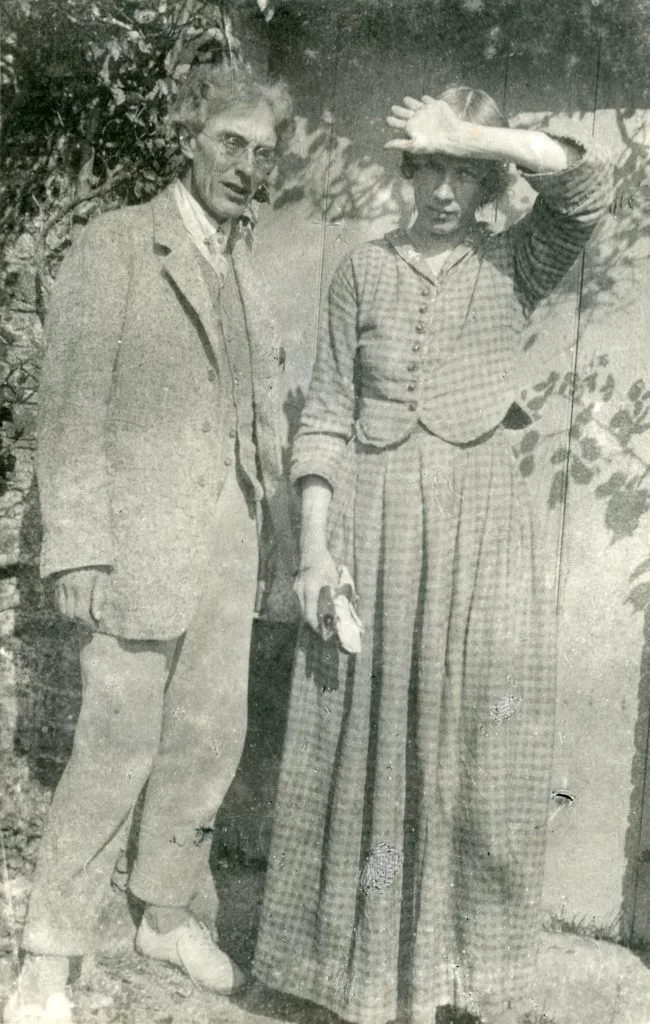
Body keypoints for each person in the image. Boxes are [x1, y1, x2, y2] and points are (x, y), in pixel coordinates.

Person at [252, 88, 612, 1024]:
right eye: (432, 167)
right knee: (361, 742)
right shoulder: (361, 273)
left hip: (479, 533)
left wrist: (474, 132)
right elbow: (326, 417)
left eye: (464, 173)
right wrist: (316, 554)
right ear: (408, 175)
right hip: (372, 528)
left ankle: (458, 981)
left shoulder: (517, 263)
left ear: (490, 184)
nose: (445, 189)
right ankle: (354, 976)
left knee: (475, 750)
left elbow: (588, 189)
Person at [4, 62, 295, 1024]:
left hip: (229, 539)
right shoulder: (118, 245)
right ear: (190, 137)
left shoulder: (246, 267)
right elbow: (71, 410)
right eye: (231, 144)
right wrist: (78, 549)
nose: (248, 167)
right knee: (114, 743)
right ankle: (49, 953)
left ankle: (165, 912)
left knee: (208, 739)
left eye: (264, 152)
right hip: (137, 544)